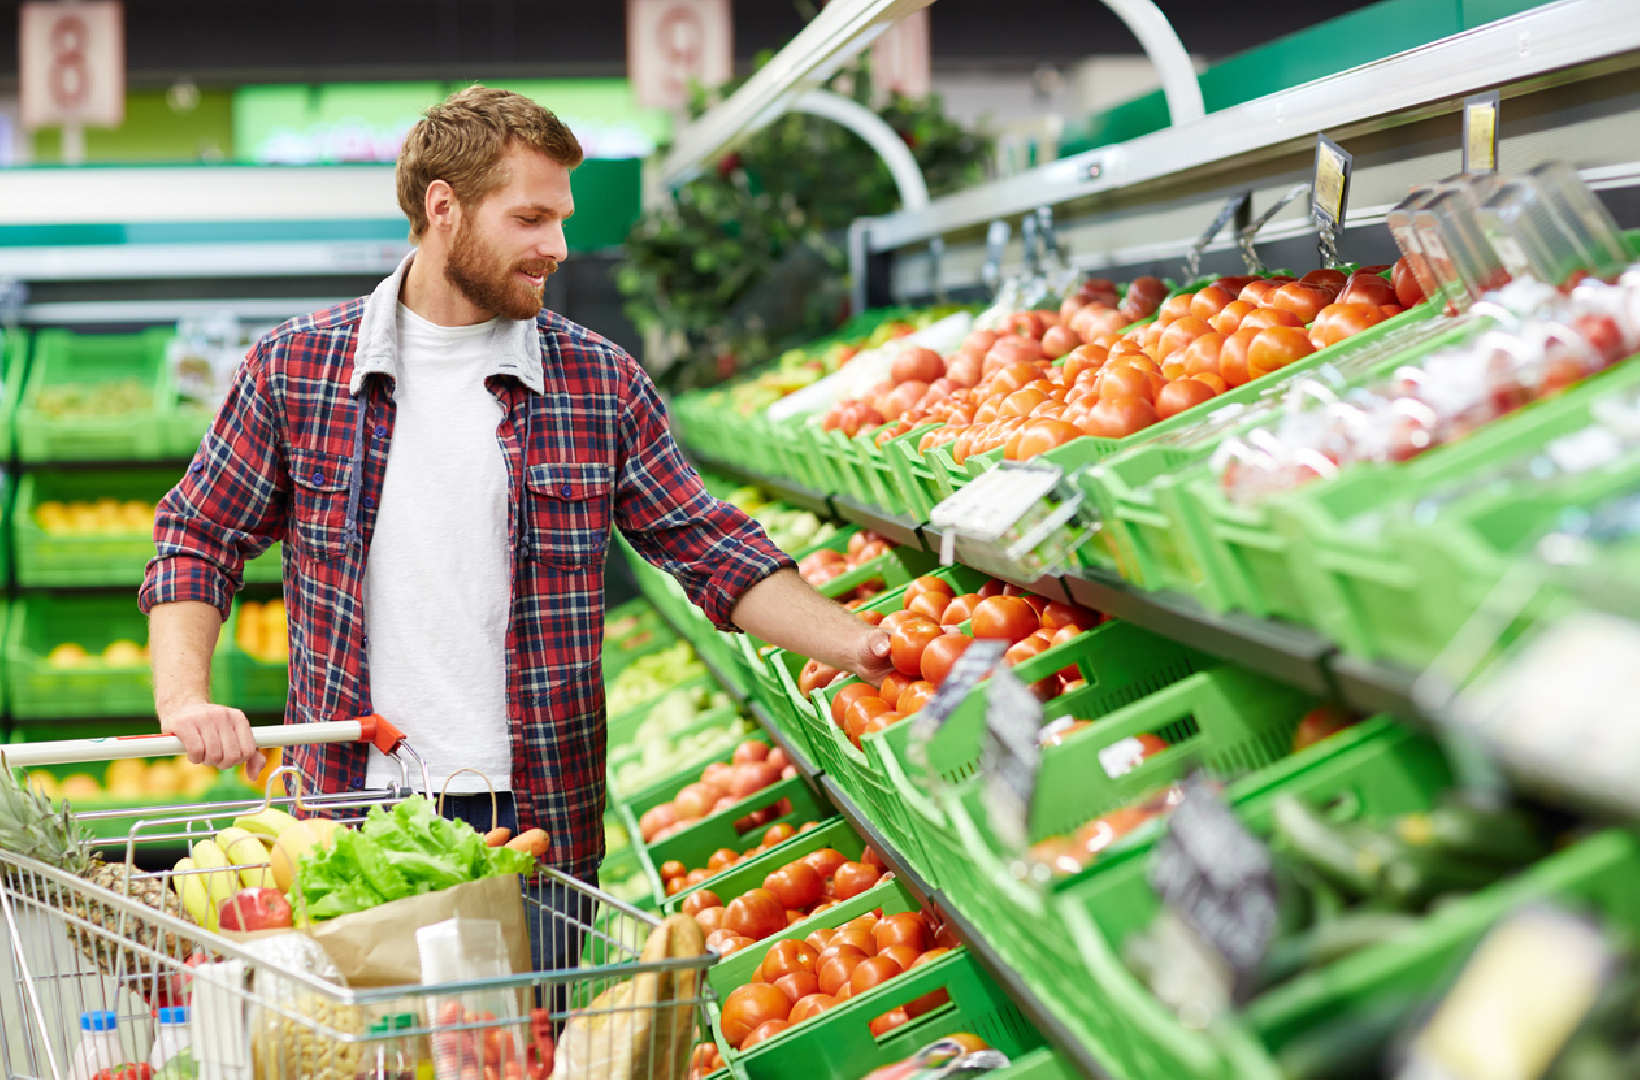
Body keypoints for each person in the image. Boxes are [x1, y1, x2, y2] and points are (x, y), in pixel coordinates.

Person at [139, 86, 893, 966]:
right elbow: (199, 535)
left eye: (562, 220)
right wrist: (184, 697)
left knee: (531, 1050)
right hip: (348, 814)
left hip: (535, 828)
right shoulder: (298, 369)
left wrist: (866, 648)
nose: (558, 248)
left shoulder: (596, 381)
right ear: (443, 207)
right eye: (531, 218)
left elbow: (711, 552)